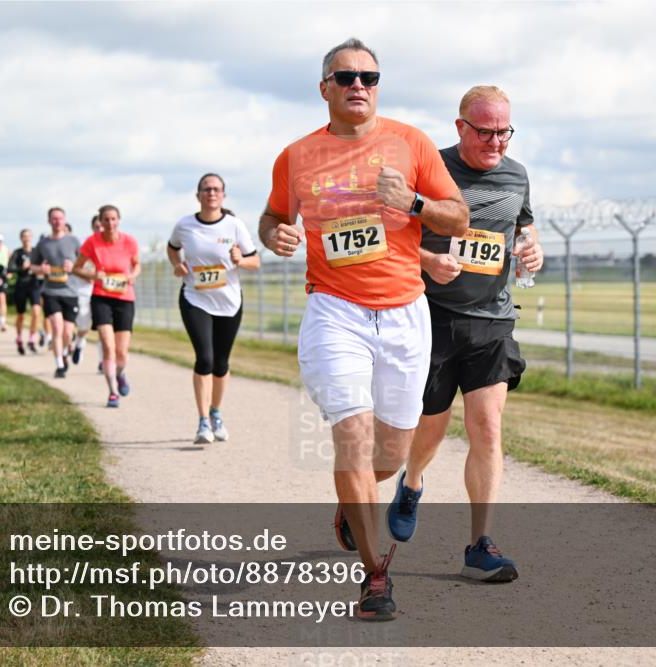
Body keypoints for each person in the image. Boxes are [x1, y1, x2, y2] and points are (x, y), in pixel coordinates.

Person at [259, 38, 468, 620]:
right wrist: (272, 232)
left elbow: (458, 216)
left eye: (369, 77)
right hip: (335, 309)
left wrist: (417, 203)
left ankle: (353, 507)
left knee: (388, 453)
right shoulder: (296, 156)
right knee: (351, 435)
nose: (359, 85)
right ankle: (375, 576)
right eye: (345, 76)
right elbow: (274, 214)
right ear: (324, 86)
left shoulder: (411, 143)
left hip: (405, 311)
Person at [388, 85, 543, 583]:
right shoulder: (430, 168)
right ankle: (411, 483)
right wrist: (429, 260)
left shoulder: (516, 175)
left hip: (492, 319)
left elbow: (523, 228)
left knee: (487, 425)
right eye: (486, 132)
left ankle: (481, 543)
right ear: (461, 128)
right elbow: (388, 243)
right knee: (429, 427)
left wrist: (531, 249)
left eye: (504, 132)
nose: (497, 142)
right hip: (429, 315)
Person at [168, 174, 260, 442]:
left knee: (221, 364)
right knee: (205, 359)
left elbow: (255, 262)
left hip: (229, 302)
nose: (211, 193)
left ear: (223, 195)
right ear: (198, 195)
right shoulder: (185, 225)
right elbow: (172, 248)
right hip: (195, 299)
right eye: (206, 189)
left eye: (216, 189)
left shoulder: (234, 226)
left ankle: (216, 412)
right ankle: (203, 422)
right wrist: (177, 264)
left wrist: (240, 259)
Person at [74, 205, 141, 407]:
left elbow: (137, 264)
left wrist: (132, 276)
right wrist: (94, 275)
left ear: (118, 220)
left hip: (125, 298)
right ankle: (112, 392)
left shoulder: (129, 241)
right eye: (106, 220)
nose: (110, 223)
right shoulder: (92, 242)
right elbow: (77, 268)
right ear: (100, 222)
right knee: (108, 346)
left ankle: (120, 374)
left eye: (113, 219)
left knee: (121, 352)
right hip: (101, 297)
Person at [32, 207, 81, 378]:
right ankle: (59, 365)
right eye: (54, 218)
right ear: (49, 221)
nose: (57, 221)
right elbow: (32, 266)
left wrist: (73, 267)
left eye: (60, 218)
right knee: (56, 327)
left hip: (71, 291)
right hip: (50, 291)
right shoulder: (43, 243)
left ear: (65, 220)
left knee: (68, 332)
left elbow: (87, 265)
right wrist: (41, 268)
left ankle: (66, 353)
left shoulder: (74, 241)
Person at [71, 216, 101, 367]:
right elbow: (75, 266)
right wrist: (89, 275)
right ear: (92, 227)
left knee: (104, 326)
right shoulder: (83, 243)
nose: (100, 229)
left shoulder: (112, 244)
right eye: (97, 226)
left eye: (102, 226)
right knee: (83, 324)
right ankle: (79, 342)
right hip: (84, 290)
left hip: (103, 292)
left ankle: (103, 361)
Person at [9, 228, 43, 355]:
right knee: (21, 315)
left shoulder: (36, 252)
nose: (26, 238)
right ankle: (18, 338)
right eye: (24, 236)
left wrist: (36, 269)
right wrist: (21, 267)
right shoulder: (17, 253)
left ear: (32, 237)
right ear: (21, 238)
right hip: (21, 285)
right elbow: (10, 268)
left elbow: (42, 267)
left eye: (28, 236)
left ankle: (32, 338)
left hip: (34, 285)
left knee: (36, 312)